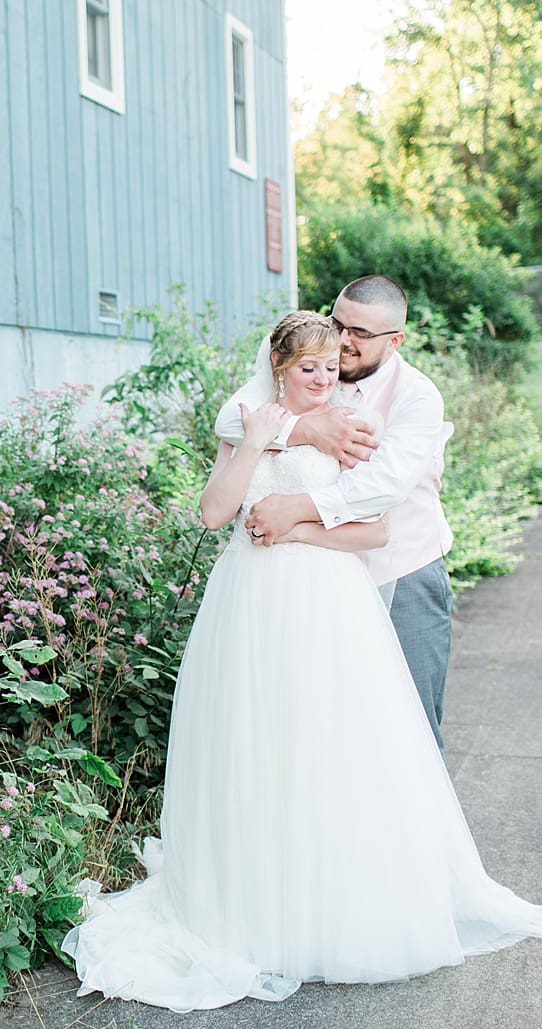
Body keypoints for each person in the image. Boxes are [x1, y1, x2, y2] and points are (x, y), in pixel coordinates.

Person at [62, 312, 542, 1012]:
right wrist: (260, 439)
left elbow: (375, 526)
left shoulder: (351, 422)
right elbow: (212, 512)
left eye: (330, 369)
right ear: (279, 367)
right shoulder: (247, 418)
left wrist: (295, 524)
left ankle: (328, 904)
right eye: (308, 370)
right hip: (248, 604)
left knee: (329, 744)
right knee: (254, 743)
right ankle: (250, 905)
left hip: (328, 603)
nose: (323, 380)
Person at [216, 275, 455, 751]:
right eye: (338, 321)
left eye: (361, 334)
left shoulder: (417, 396)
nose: (343, 341)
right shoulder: (304, 351)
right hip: (311, 587)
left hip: (399, 572)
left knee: (411, 730)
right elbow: (229, 420)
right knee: (328, 729)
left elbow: (381, 486)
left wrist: (295, 513)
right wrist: (306, 431)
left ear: (396, 340)